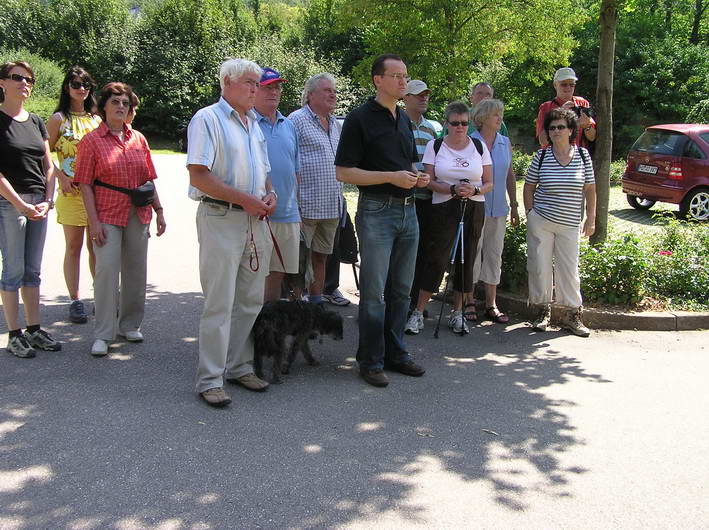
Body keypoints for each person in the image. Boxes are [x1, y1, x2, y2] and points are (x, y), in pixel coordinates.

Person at [336, 53, 429, 387]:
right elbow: (343, 171)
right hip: (376, 210)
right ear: (378, 80)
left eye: (405, 76)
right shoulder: (359, 118)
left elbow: (411, 164)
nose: (404, 81)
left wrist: (419, 178)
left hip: (408, 211)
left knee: (402, 290)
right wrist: (390, 177)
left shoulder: (404, 119)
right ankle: (371, 360)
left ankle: (396, 352)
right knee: (374, 292)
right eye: (397, 76)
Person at [187, 59, 276, 408]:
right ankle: (210, 379)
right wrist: (248, 201)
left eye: (258, 83)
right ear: (227, 82)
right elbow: (199, 175)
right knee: (219, 303)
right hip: (221, 217)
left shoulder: (254, 123)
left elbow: (265, 171)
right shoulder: (207, 119)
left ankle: (239, 365)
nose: (256, 88)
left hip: (255, 220)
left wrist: (270, 194)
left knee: (251, 299)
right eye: (249, 82)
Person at [74, 82, 166, 357]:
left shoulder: (138, 138)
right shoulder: (91, 141)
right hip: (107, 213)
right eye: (115, 102)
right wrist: (94, 222)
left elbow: (148, 178)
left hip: (139, 212)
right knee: (106, 272)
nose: (121, 107)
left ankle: (130, 324)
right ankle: (103, 333)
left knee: (136, 271)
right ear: (104, 106)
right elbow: (85, 184)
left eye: (125, 103)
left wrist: (160, 210)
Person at [406, 101, 493, 336]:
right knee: (437, 258)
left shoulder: (478, 145)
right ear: (446, 124)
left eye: (464, 123)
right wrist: (451, 189)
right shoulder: (435, 146)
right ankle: (418, 312)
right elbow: (429, 180)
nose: (460, 127)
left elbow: (488, 182)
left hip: (473, 207)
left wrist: (473, 191)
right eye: (455, 123)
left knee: (467, 259)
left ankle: (457, 312)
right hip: (443, 207)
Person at [0, 61, 61, 358]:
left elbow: (48, 166)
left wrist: (48, 200)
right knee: (13, 270)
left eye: (29, 79)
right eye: (17, 78)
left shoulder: (36, 121)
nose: (25, 83)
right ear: (2, 83)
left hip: (39, 200)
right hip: (10, 202)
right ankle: (14, 335)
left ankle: (34, 329)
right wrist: (20, 204)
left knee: (32, 270)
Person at [524, 107, 596, 337]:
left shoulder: (583, 156)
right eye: (552, 127)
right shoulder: (542, 156)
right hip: (542, 221)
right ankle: (541, 311)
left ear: (571, 130)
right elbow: (529, 186)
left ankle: (572, 316)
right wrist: (530, 213)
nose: (556, 131)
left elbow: (590, 189)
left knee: (569, 269)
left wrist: (591, 218)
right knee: (540, 268)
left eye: (561, 127)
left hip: (570, 223)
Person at [46, 66, 101, 324]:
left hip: (96, 193)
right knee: (73, 246)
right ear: (67, 87)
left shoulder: (96, 119)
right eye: (76, 84)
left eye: (86, 85)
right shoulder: (58, 118)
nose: (82, 89)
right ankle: (75, 300)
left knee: (96, 246)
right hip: (70, 193)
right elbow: (43, 154)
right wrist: (60, 177)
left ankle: (100, 297)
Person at [289, 73, 343, 306]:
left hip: (331, 205)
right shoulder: (296, 120)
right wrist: (294, 204)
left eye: (334, 90)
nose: (333, 94)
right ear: (310, 95)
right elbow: (289, 163)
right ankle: (295, 305)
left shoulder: (336, 124)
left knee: (321, 257)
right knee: (298, 261)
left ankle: (316, 303)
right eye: (326, 90)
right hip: (306, 205)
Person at [469, 99, 519, 324]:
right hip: (474, 207)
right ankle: (468, 301)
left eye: (501, 114)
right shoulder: (470, 142)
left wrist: (515, 204)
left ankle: (491, 304)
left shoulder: (505, 142)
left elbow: (510, 175)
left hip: (499, 208)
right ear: (482, 118)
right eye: (495, 115)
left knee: (493, 255)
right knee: (471, 256)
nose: (500, 119)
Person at [254, 67, 301, 302]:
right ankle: (249, 327)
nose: (274, 92)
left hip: (288, 212)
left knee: (277, 272)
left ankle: (268, 324)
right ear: (255, 90)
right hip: (258, 212)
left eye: (277, 87)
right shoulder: (248, 122)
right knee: (254, 271)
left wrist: (297, 208)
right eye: (268, 87)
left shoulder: (289, 124)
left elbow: (296, 171)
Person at [403, 80, 437, 312]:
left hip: (426, 200)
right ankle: (397, 301)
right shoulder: (398, 123)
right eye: (418, 95)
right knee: (401, 255)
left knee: (422, 253)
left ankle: (415, 303)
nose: (423, 98)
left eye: (426, 94)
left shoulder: (431, 129)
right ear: (405, 98)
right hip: (403, 199)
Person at [536, 67, 596, 149]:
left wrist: (587, 126)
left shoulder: (582, 103)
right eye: (564, 84)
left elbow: (592, 137)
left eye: (572, 85)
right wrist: (559, 114)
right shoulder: (546, 108)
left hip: (577, 158)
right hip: (553, 159)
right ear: (555, 85)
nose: (568, 88)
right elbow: (542, 141)